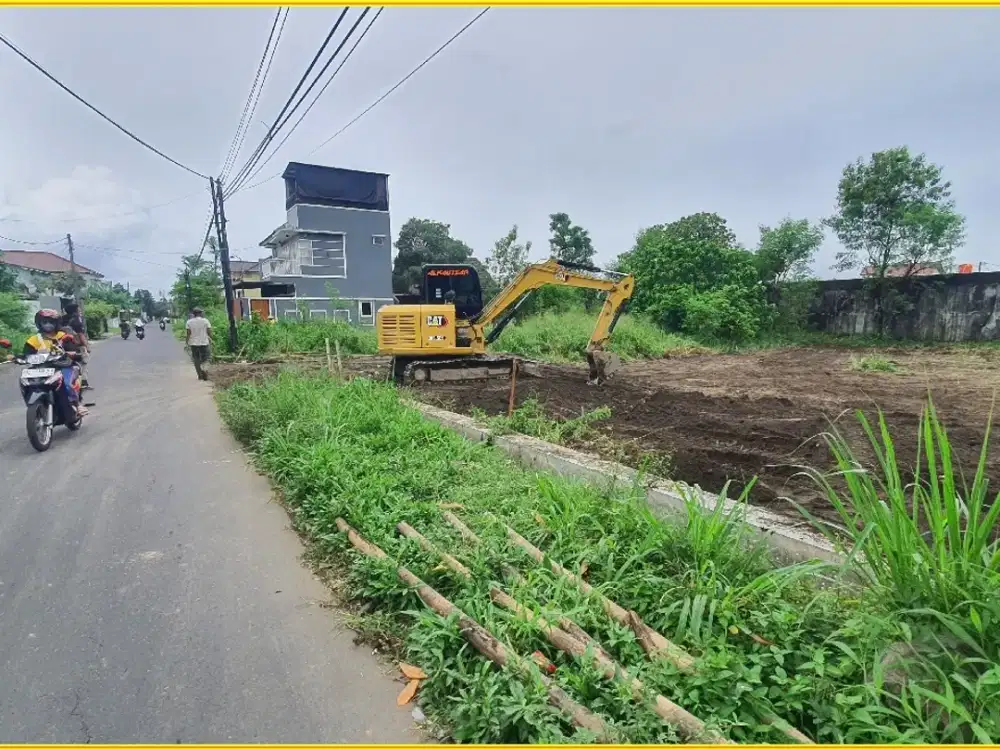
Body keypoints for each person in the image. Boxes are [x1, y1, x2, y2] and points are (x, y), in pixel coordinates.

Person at [23, 308, 88, 418]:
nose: (48, 325)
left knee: (67, 384)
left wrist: (72, 353)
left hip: (64, 366)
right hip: (42, 369)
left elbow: (74, 349)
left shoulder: (63, 336)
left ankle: (77, 405)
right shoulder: (33, 340)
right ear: (39, 323)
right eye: (45, 322)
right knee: (26, 381)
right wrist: (16, 357)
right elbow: (26, 354)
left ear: (56, 323)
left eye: (51, 322)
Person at [61, 302, 91, 390]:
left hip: (64, 345)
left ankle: (68, 381)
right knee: (83, 363)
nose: (80, 310)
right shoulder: (76, 320)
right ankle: (83, 383)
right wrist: (86, 346)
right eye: (78, 309)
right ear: (75, 310)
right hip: (77, 346)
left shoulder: (62, 319)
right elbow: (80, 334)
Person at [185, 307, 212, 381]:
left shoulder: (189, 322)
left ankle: (199, 375)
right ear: (200, 313)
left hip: (193, 343)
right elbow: (209, 332)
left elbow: (188, 334)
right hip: (204, 342)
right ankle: (204, 369)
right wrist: (210, 338)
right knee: (206, 358)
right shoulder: (206, 321)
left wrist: (186, 342)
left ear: (194, 314)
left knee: (196, 359)